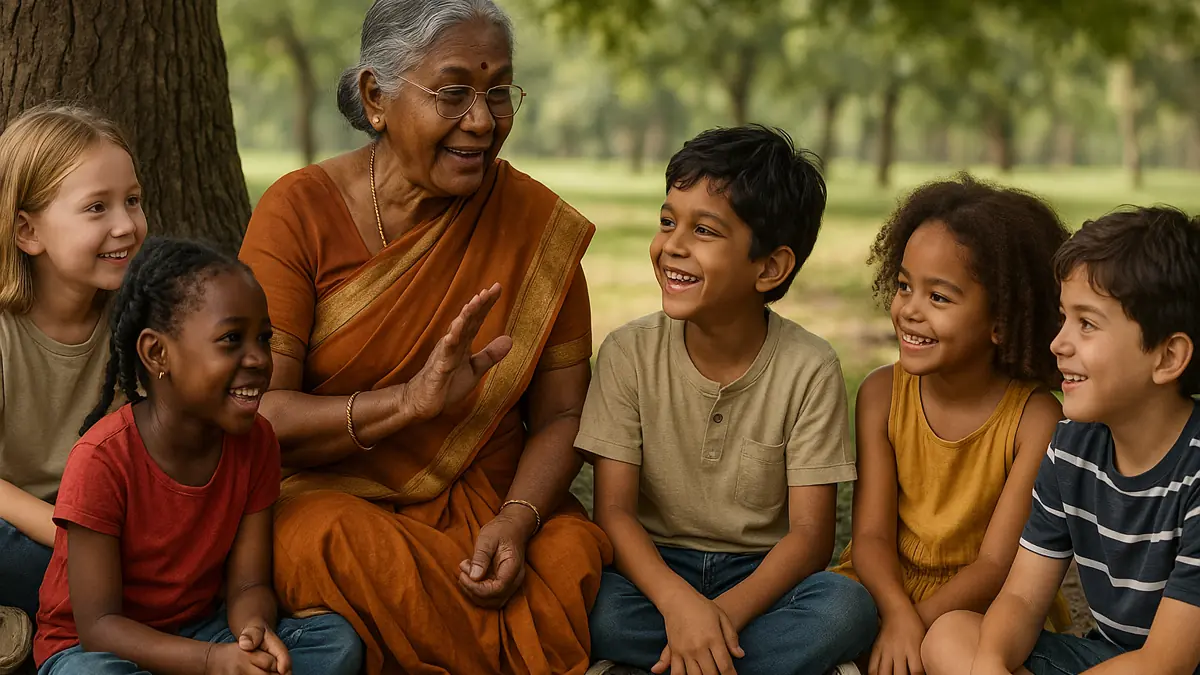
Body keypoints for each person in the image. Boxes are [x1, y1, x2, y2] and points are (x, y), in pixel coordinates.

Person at [237, 0, 612, 672]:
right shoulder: (297, 211)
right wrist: (408, 402)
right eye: (453, 92)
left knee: (569, 549)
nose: (482, 119)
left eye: (499, 92)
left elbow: (563, 413)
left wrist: (519, 520)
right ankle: (519, 648)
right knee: (306, 541)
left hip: (491, 513)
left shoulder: (535, 227)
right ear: (375, 97)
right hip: (338, 501)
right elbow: (264, 412)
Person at [580, 126, 878, 675]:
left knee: (846, 609)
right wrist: (678, 606)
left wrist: (716, 618)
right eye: (668, 221)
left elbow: (811, 538)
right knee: (592, 607)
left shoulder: (810, 368)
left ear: (770, 268)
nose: (672, 244)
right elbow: (615, 514)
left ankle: (689, 660)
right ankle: (728, 661)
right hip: (654, 574)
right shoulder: (627, 354)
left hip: (760, 580)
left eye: (704, 230)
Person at [34, 238, 363, 674]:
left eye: (263, 338)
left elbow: (248, 583)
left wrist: (252, 634)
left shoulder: (256, 441)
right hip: (96, 649)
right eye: (231, 339)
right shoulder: (102, 460)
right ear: (157, 353)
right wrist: (210, 662)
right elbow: (99, 626)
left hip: (200, 630)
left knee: (336, 643)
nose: (259, 359)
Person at [922, 207, 1200, 675]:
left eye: (1086, 324)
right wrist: (988, 665)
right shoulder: (1072, 446)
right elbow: (1021, 597)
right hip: (1110, 661)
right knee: (952, 635)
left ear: (1167, 356)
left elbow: (1166, 662)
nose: (1058, 343)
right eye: (1063, 318)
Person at [830, 175, 1072, 675]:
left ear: (1001, 320)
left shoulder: (1035, 418)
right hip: (883, 584)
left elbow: (995, 565)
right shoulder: (880, 394)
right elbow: (871, 536)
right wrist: (898, 614)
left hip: (977, 601)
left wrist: (913, 630)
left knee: (954, 647)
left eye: (939, 297)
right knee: (830, 614)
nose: (910, 310)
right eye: (903, 286)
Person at [0, 104, 146, 672]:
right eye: (96, 208)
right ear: (27, 231)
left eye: (132, 200)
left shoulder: (139, 324)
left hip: (107, 529)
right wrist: (76, 536)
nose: (126, 225)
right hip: (30, 530)